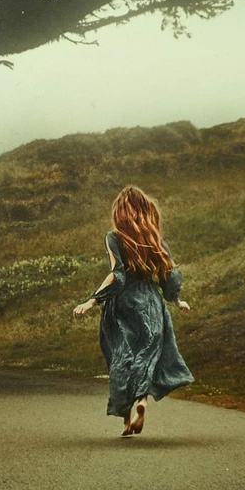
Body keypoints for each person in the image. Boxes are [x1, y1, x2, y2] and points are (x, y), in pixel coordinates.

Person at [71, 186, 194, 436]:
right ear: (145, 210)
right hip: (150, 304)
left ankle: (126, 421)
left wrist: (92, 301)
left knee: (121, 357)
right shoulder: (155, 239)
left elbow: (117, 275)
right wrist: (177, 300)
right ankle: (142, 401)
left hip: (122, 306)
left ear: (120, 212)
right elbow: (168, 275)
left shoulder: (114, 238)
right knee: (146, 354)